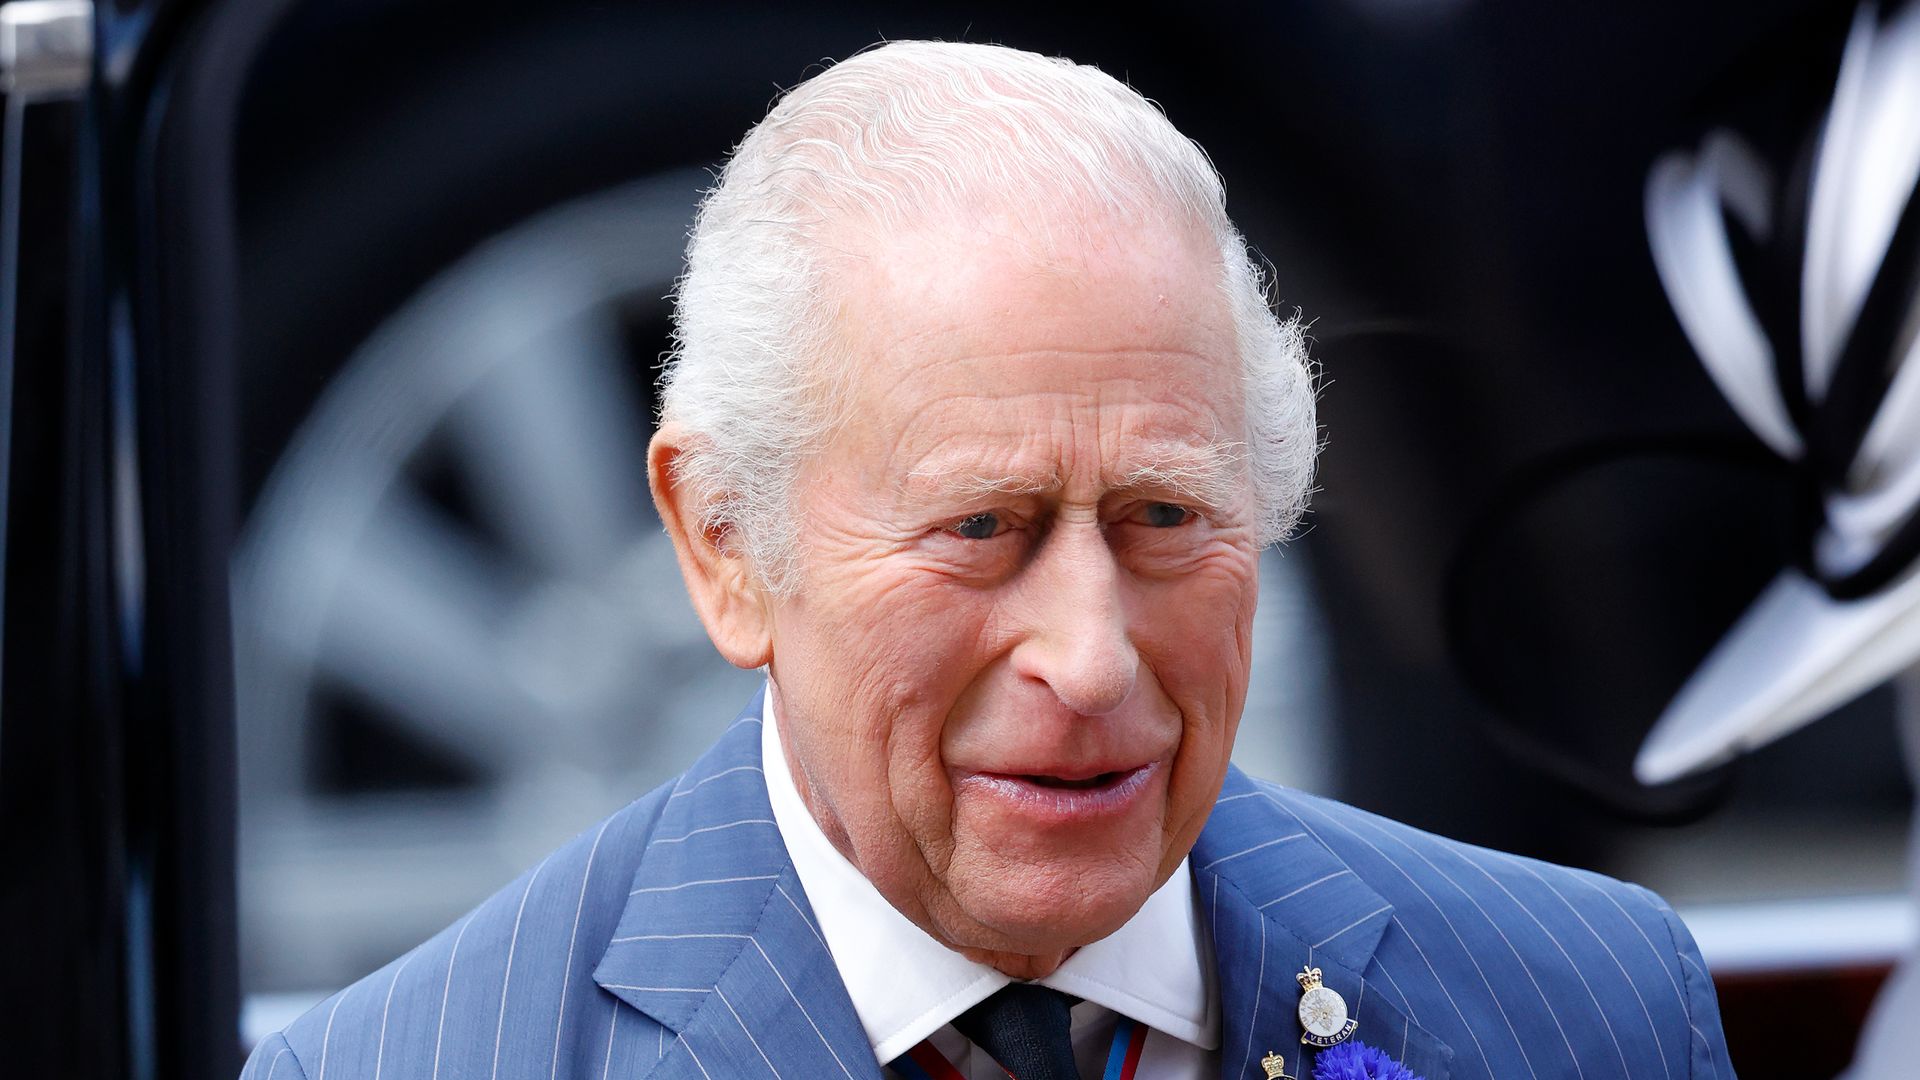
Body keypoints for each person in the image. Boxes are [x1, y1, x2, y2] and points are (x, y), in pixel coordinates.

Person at [243, 41, 1733, 1080]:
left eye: (1164, 518)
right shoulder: (420, 1065)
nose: (1090, 659)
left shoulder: (1591, 1013)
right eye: (980, 531)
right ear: (724, 546)